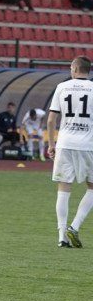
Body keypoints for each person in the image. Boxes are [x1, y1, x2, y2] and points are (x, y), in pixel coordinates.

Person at [47, 56, 93, 248]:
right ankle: (74, 226)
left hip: (65, 143)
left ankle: (61, 236)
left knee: (63, 188)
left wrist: (51, 144)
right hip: (88, 144)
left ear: (74, 68)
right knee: (91, 187)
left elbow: (51, 120)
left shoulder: (62, 87)